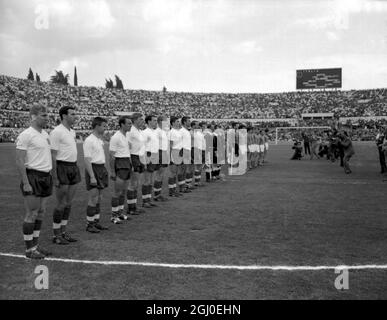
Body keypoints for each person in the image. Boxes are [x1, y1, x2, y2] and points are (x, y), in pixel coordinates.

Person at [16, 104, 53, 259]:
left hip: (45, 176)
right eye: (43, 115)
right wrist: (26, 182)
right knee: (31, 213)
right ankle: (29, 249)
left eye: (46, 115)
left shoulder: (45, 134)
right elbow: (19, 160)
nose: (47, 117)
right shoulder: (26, 135)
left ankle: (35, 246)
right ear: (33, 116)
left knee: (41, 212)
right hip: (33, 176)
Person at [50, 106, 81, 244]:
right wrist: (55, 176)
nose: (75, 116)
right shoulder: (57, 132)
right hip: (62, 167)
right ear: (63, 116)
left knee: (68, 203)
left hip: (73, 167)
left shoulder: (72, 131)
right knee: (61, 203)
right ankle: (56, 235)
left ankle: (63, 232)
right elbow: (53, 155)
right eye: (72, 114)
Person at [83, 117, 109, 233]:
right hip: (93, 169)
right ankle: (89, 224)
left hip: (101, 168)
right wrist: (92, 176)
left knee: (99, 198)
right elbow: (87, 159)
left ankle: (96, 222)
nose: (105, 128)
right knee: (93, 197)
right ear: (97, 126)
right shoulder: (89, 140)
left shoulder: (99, 139)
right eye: (103, 126)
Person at [109, 116, 132, 224]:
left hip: (127, 163)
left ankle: (120, 213)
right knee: (117, 192)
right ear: (122, 124)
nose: (130, 125)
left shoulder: (126, 136)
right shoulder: (116, 137)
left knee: (123, 191)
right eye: (128, 123)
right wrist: (112, 171)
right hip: (120, 164)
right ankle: (113, 216)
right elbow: (111, 156)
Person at [126, 113, 147, 214]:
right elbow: (128, 147)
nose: (142, 121)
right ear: (134, 120)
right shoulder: (130, 131)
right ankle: (131, 208)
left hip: (139, 157)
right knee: (133, 184)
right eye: (140, 119)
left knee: (137, 183)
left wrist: (143, 161)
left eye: (142, 120)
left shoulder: (139, 131)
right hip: (133, 157)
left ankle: (134, 206)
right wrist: (130, 162)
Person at [142, 115, 159, 208]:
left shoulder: (154, 132)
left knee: (151, 180)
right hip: (148, 156)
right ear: (148, 122)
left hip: (154, 155)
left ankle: (149, 199)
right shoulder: (145, 133)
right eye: (154, 120)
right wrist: (144, 160)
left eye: (156, 120)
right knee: (147, 180)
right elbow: (143, 147)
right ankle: (145, 201)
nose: (156, 122)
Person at [153, 115, 169, 201]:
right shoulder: (157, 131)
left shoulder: (163, 131)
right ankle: (156, 195)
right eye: (165, 121)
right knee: (159, 174)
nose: (167, 122)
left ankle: (158, 194)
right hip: (159, 153)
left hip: (164, 152)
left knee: (161, 174)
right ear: (160, 122)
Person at [169, 116, 184, 196]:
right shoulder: (171, 132)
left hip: (180, 152)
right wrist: (170, 156)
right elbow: (170, 145)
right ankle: (171, 191)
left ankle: (176, 189)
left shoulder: (178, 131)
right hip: (174, 152)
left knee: (179, 171)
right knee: (173, 172)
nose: (179, 123)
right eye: (177, 121)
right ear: (173, 123)